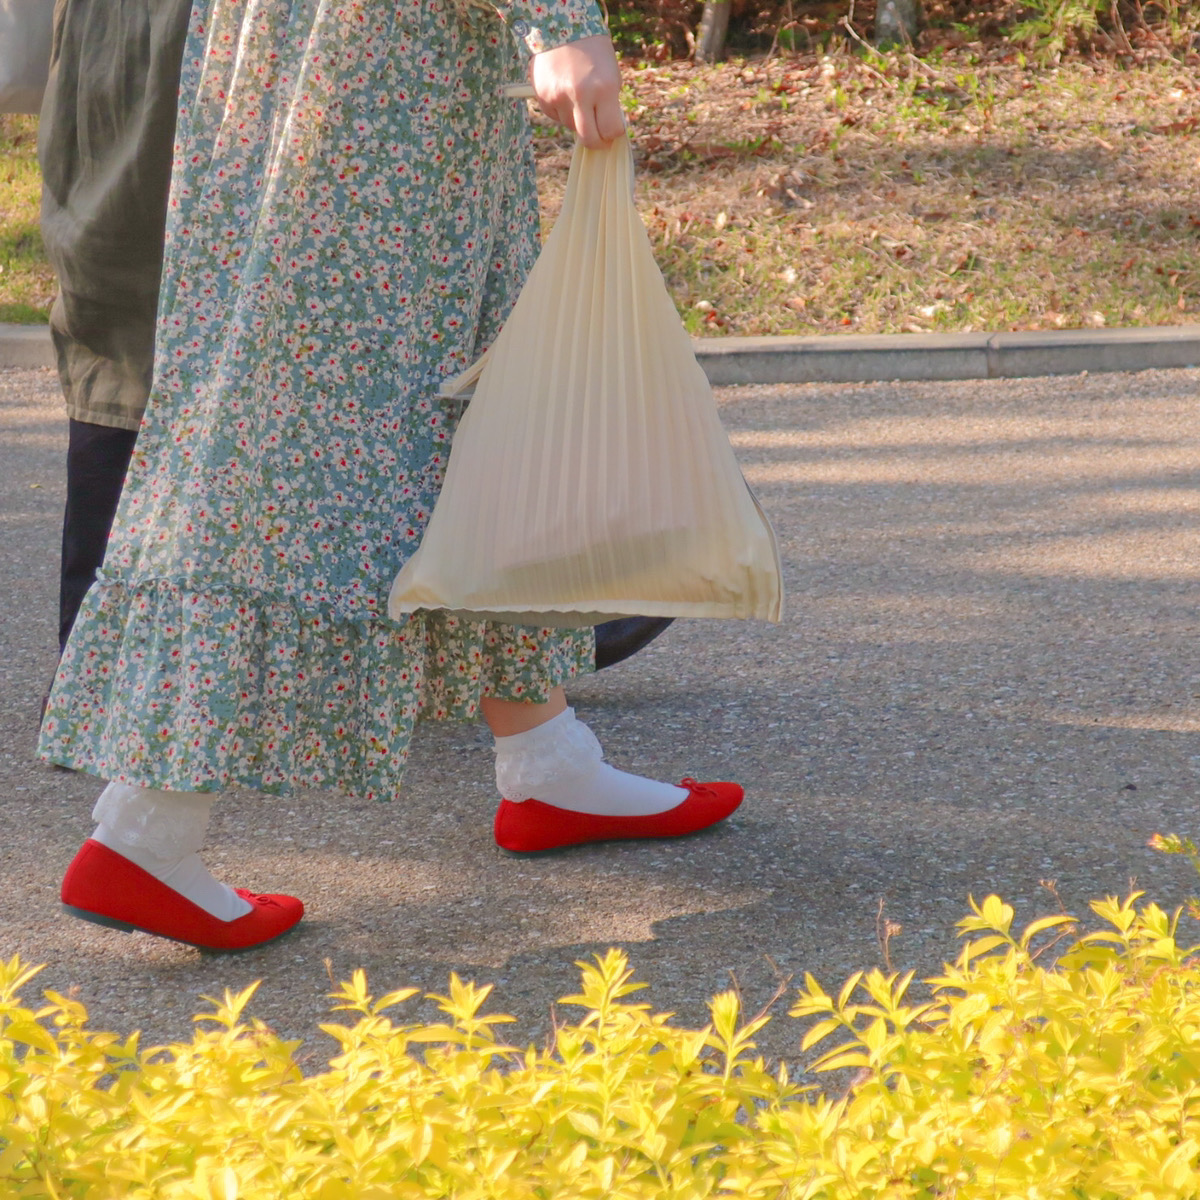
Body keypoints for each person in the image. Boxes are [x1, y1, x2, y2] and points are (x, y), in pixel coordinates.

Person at [40, 0, 742, 955]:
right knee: (297, 430)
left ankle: (548, 761)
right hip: (370, 69)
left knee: (437, 410)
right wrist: (559, 19)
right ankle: (145, 831)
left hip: (345, 56)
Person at [39, 0, 671, 667]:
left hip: (138, 29)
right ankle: (484, 624)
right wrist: (560, 21)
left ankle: (105, 657)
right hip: (265, 38)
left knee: (137, 309)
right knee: (310, 312)